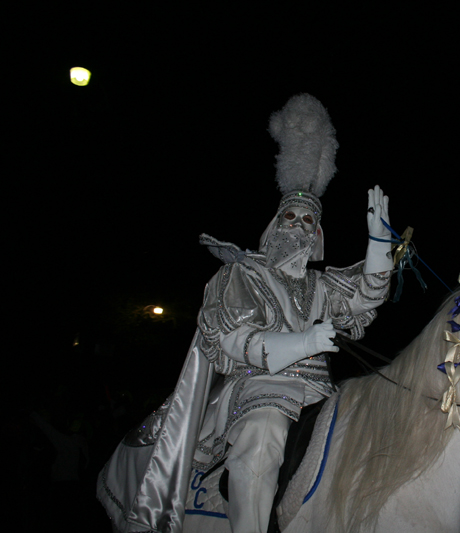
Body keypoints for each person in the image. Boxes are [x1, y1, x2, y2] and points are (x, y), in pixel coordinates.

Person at [97, 94, 395, 533]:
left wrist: (379, 246)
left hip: (320, 391)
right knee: (262, 440)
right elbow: (236, 339)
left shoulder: (320, 285)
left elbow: (366, 297)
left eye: (307, 220)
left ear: (317, 236)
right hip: (258, 388)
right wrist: (305, 341)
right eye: (289, 216)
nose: (296, 223)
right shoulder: (244, 273)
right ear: (274, 226)